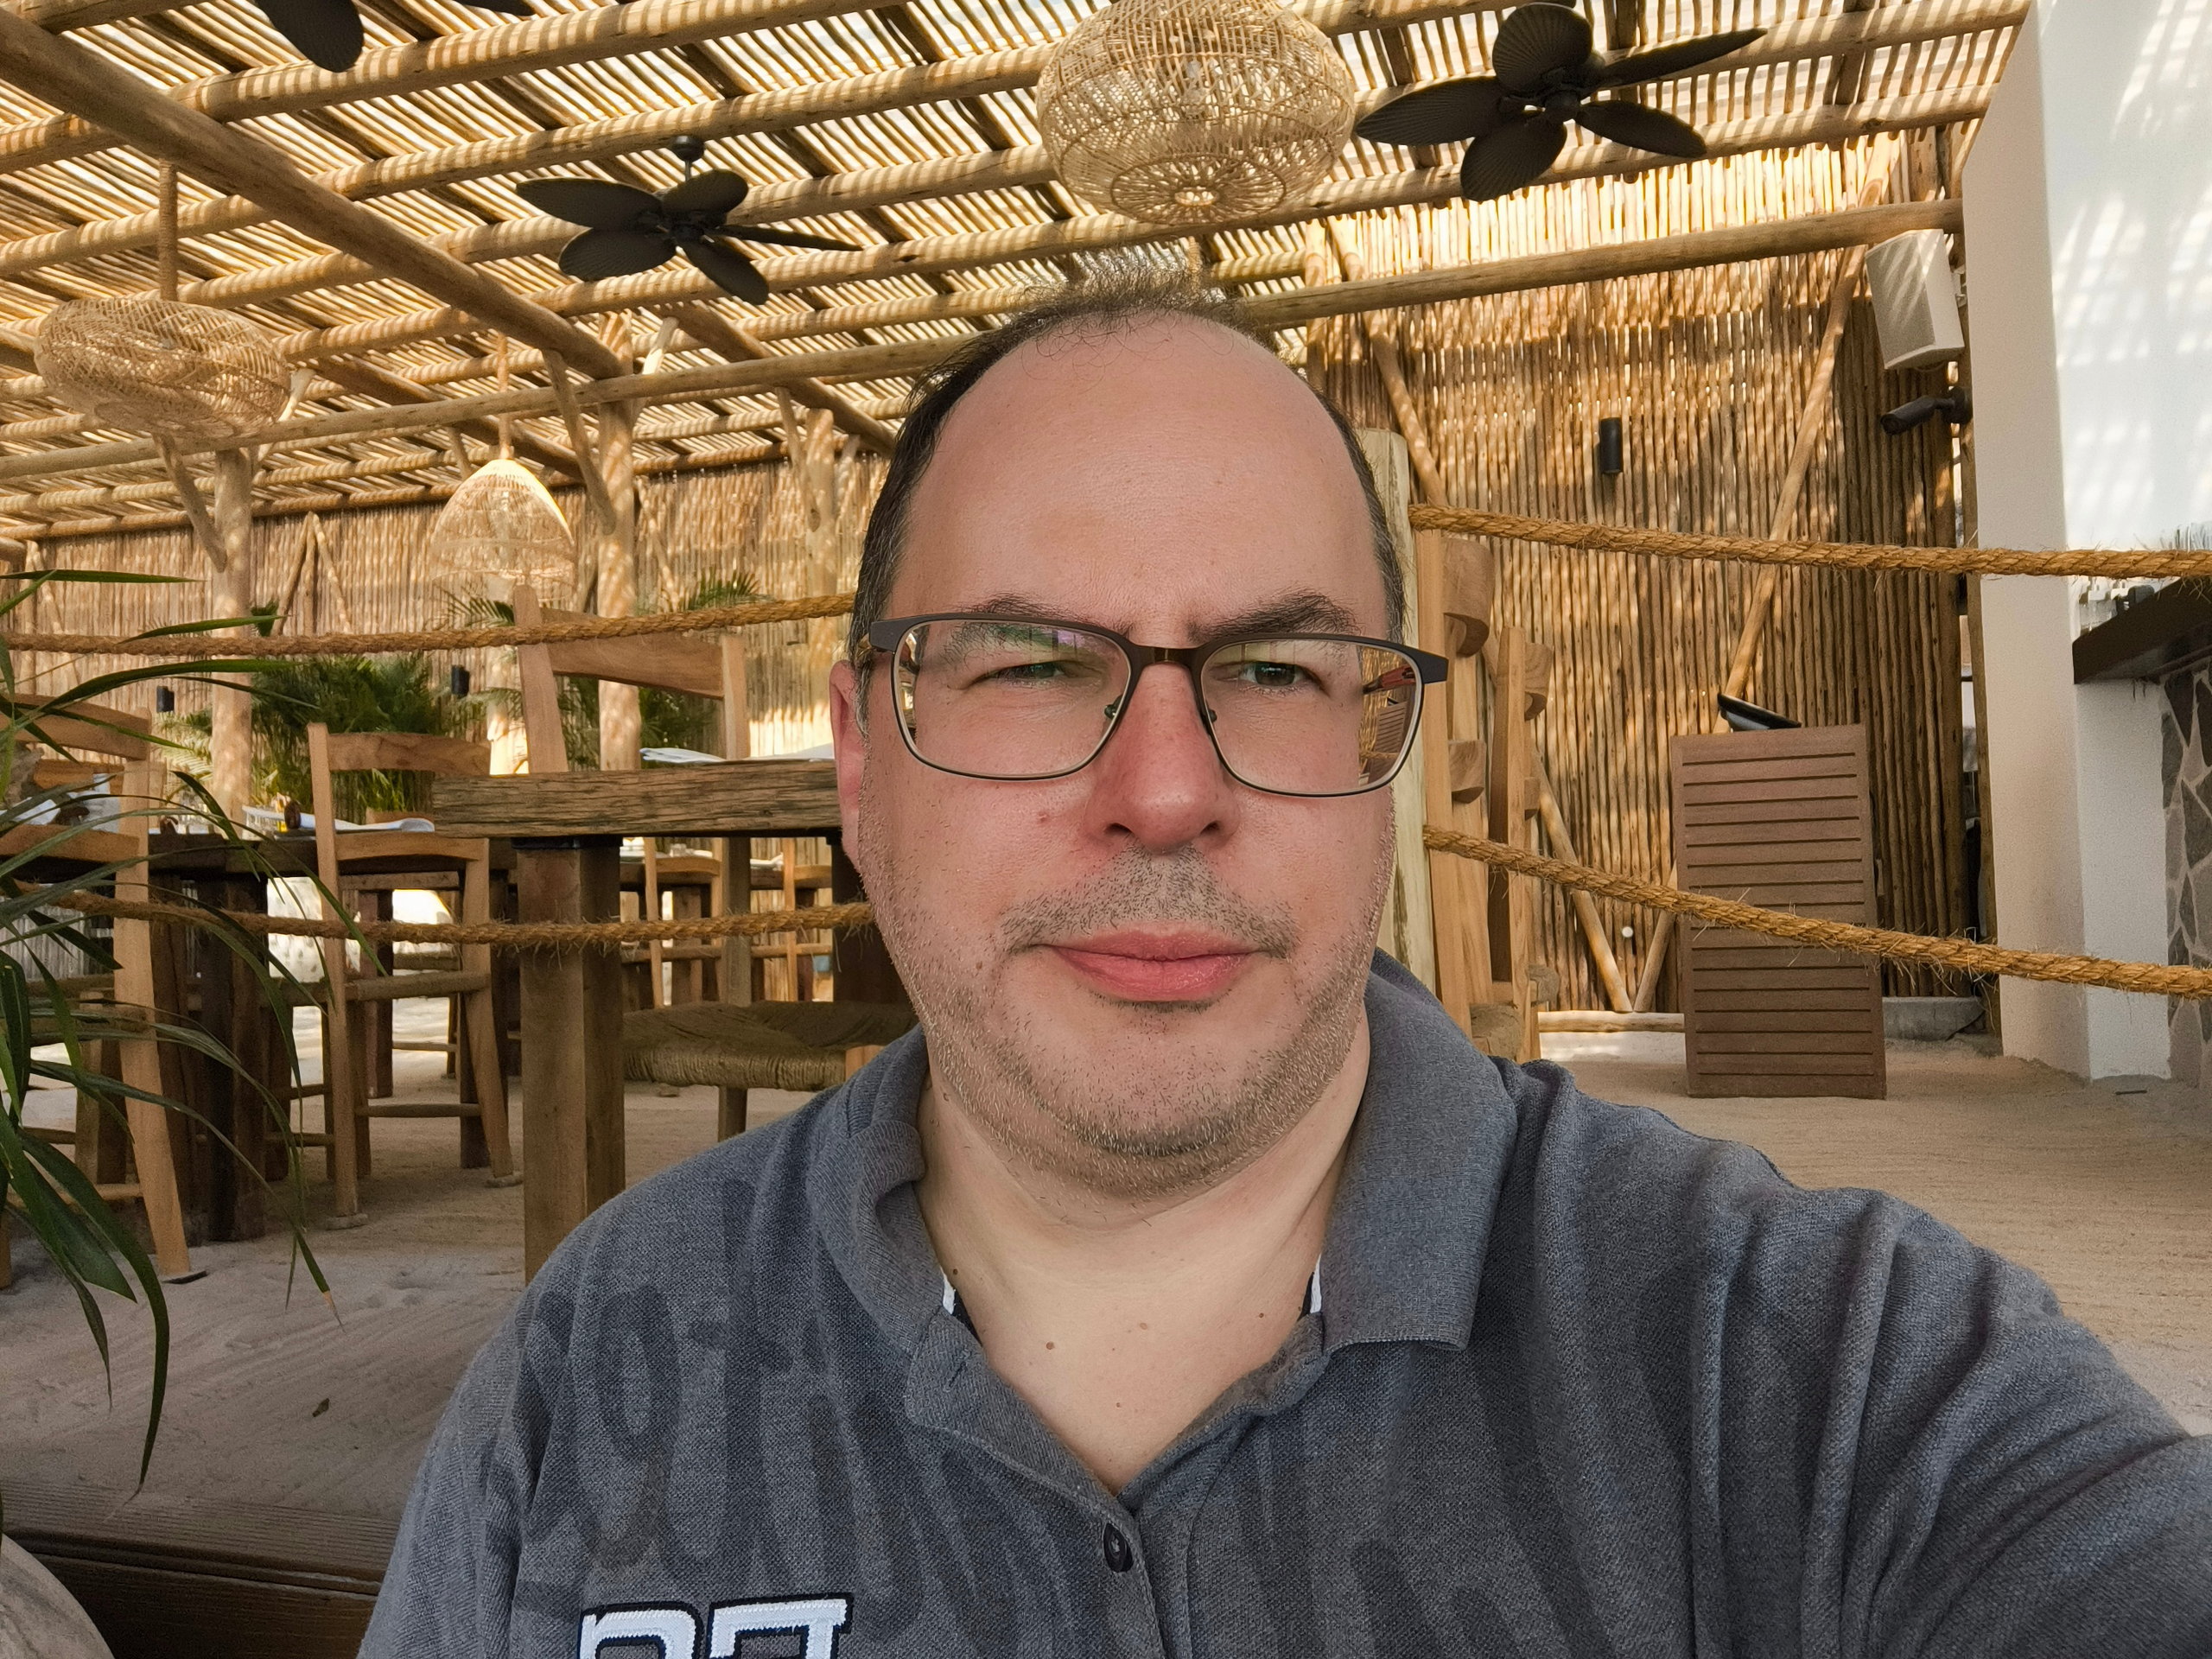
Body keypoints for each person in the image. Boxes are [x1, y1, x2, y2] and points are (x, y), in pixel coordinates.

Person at [365, 281, 2212, 1659]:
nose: (1165, 791)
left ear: (1381, 747)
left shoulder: (1820, 1373)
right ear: (861, 761)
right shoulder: (596, 1363)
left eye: (1272, 669)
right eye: (1029, 662)